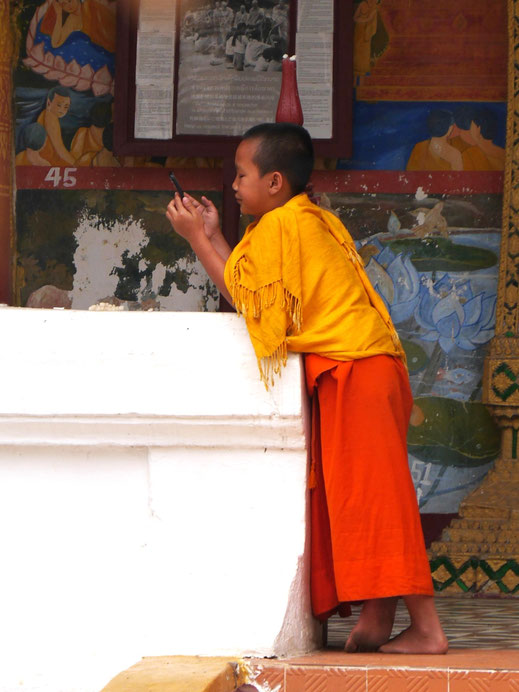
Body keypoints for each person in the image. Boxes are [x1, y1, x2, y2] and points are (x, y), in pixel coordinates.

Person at [165, 122, 448, 655]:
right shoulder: (300, 220)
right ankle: (377, 615)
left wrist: (197, 240)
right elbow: (257, 286)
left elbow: (250, 305)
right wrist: (218, 235)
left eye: (242, 175)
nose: (233, 184)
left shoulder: (281, 227)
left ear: (274, 182)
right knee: (360, 495)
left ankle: (428, 628)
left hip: (355, 368)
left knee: (378, 497)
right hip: (367, 365)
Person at [37, 85, 75, 166]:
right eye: (59, 105)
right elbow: (59, 149)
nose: (62, 110)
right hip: (49, 160)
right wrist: (76, 164)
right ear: (49, 103)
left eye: (66, 107)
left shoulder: (46, 113)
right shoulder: (51, 118)